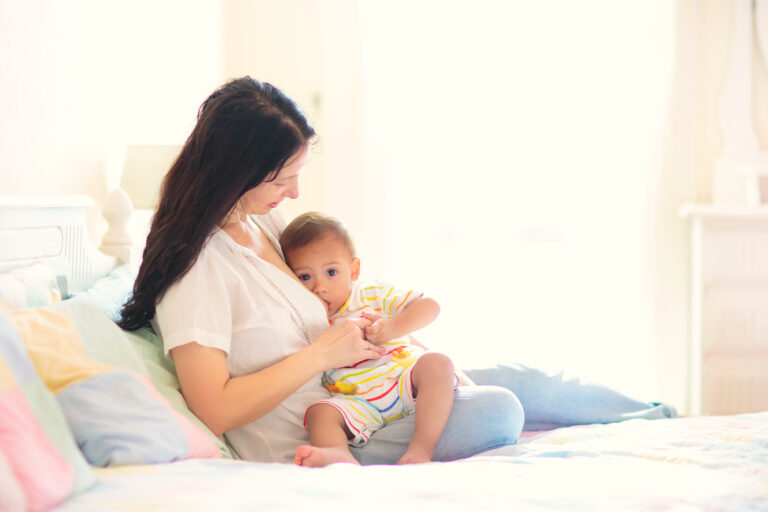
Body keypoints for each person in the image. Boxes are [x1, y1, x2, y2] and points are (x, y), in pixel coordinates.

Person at [118, 76, 676, 466]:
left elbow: (326, 292)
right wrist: (322, 355)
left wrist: (380, 336)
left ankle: (665, 422)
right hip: (331, 427)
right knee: (500, 409)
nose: (295, 193)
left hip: (370, 381)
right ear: (235, 169)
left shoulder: (256, 221)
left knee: (527, 378)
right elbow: (213, 408)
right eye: (282, 177)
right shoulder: (198, 270)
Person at [279, 211, 455, 466]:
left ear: (353, 269)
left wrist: (392, 327)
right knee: (320, 413)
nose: (319, 287)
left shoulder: (369, 293)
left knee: (438, 362)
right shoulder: (306, 317)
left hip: (404, 380)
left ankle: (421, 448)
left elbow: (430, 306)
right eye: (305, 277)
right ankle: (339, 455)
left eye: (331, 272)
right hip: (357, 400)